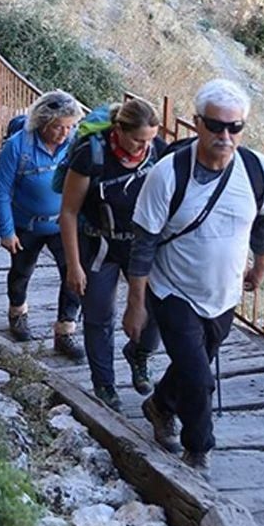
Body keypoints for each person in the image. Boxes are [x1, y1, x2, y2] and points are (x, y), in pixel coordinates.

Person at [124, 79, 264, 472]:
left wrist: (261, 263)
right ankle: (199, 451)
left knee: (190, 365)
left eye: (235, 127)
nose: (225, 135)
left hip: (224, 293)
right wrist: (136, 306)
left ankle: (160, 405)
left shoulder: (257, 169)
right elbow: (143, 244)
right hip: (173, 289)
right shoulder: (168, 174)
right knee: (200, 377)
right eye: (216, 125)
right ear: (196, 123)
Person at [59, 99, 167, 413]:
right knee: (98, 316)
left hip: (141, 245)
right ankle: (104, 382)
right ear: (118, 130)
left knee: (155, 309)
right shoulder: (91, 156)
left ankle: (139, 353)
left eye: (149, 139)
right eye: (138, 139)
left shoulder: (157, 151)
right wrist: (74, 265)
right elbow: (68, 211)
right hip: (99, 245)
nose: (144, 146)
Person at [0, 91, 85, 361]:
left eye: (69, 127)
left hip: (64, 224)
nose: (64, 133)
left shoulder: (74, 143)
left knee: (74, 275)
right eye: (58, 126)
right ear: (43, 122)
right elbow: (1, 189)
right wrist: (6, 230)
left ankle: (65, 330)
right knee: (21, 271)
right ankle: (17, 312)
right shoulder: (18, 146)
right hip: (27, 225)